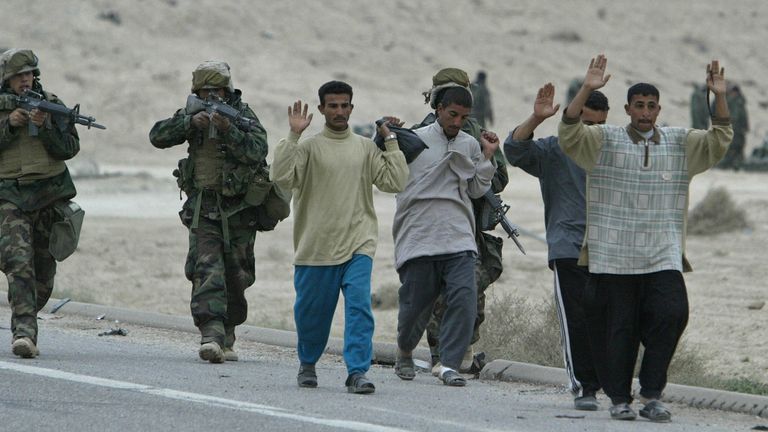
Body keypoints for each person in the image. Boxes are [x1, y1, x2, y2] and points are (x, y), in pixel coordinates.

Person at [558, 54, 733, 422]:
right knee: (618, 331)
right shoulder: (603, 140)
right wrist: (587, 89)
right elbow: (570, 132)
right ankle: (620, 399)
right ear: (627, 108)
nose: (645, 112)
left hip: (662, 253)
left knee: (673, 314)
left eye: (651, 106)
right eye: (639, 105)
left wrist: (718, 96)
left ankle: (652, 393)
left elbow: (719, 140)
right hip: (613, 255)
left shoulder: (679, 142)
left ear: (658, 109)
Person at [270, 81, 408, 394]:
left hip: (359, 242)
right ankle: (307, 363)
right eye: (332, 106)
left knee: (359, 308)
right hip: (316, 246)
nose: (339, 111)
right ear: (321, 109)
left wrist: (391, 141)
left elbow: (395, 181)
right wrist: (294, 134)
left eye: (345, 105)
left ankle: (357, 372)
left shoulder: (365, 147)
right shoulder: (307, 148)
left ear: (351, 108)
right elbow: (280, 176)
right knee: (312, 317)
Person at [149, 61, 269, 363]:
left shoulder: (243, 116)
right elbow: (157, 136)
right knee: (206, 271)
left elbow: (258, 150)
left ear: (226, 92)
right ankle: (211, 334)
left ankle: (227, 332)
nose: (212, 97)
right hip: (204, 209)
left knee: (237, 275)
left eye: (217, 91)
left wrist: (230, 132)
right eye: (206, 92)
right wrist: (190, 124)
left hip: (239, 211)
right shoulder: (192, 114)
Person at [505, 83, 608, 411]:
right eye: (587, 124)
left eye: (601, 126)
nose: (594, 132)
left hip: (609, 249)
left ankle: (612, 384)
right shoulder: (554, 149)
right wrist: (536, 118)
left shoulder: (613, 150)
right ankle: (584, 387)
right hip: (567, 247)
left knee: (610, 319)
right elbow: (515, 150)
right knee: (576, 319)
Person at [393, 76, 499, 387]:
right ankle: (404, 351)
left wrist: (488, 156)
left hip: (458, 234)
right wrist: (386, 137)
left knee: (465, 299)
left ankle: (449, 364)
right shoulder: (413, 139)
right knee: (416, 305)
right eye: (452, 114)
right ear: (439, 109)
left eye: (464, 117)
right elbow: (389, 175)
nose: (457, 121)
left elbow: (478, 189)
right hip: (419, 233)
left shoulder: (469, 144)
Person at [0, 49, 82, 359]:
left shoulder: (51, 103)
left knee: (43, 276)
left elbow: (70, 148)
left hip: (49, 197)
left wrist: (46, 125)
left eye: (30, 74)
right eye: (19, 75)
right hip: (9, 197)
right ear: (7, 78)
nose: (26, 80)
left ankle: (26, 314)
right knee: (19, 264)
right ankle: (24, 333)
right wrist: (11, 124)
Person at [716, 83, 748, 170]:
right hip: (734, 128)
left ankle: (735, 164)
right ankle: (731, 164)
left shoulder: (738, 102)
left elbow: (740, 116)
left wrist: (744, 126)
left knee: (737, 146)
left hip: (737, 128)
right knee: (733, 146)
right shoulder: (735, 101)